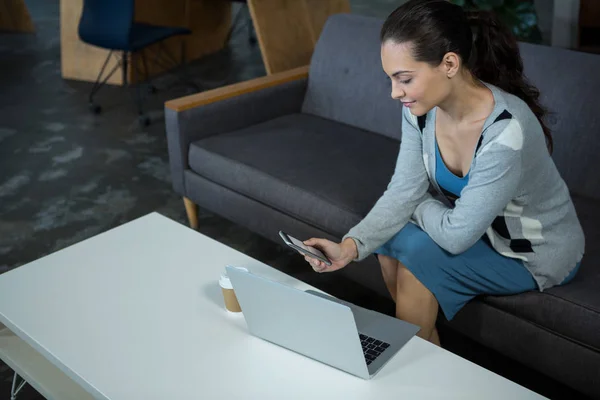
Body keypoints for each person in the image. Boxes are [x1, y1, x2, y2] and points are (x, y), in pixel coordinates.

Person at [301, 0, 585, 346]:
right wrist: (348, 246)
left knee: (418, 258)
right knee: (390, 239)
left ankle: (416, 355)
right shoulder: (421, 111)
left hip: (533, 253)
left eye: (404, 78)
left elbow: (454, 235)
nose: (394, 92)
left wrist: (417, 205)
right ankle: (425, 352)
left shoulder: (505, 133)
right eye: (391, 78)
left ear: (449, 63)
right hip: (481, 232)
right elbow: (403, 192)